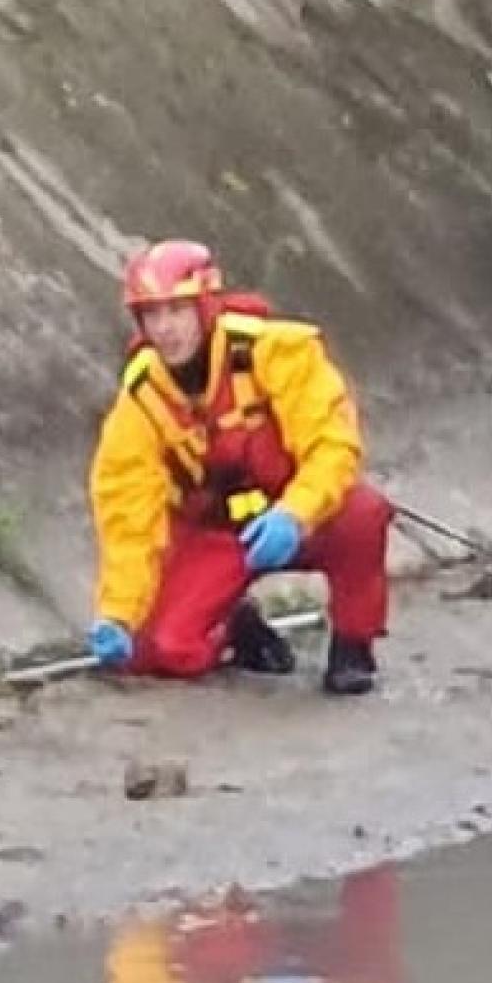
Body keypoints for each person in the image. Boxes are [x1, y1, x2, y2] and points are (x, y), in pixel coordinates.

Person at [87, 239, 393, 695]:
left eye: (177, 311)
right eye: (152, 314)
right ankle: (235, 626)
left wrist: (295, 513)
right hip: (217, 533)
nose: (166, 329)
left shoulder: (277, 352)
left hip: (294, 517)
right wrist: (117, 614)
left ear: (205, 306)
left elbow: (333, 447)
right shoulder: (142, 398)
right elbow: (128, 516)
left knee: (362, 515)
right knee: (161, 650)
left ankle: (353, 645)